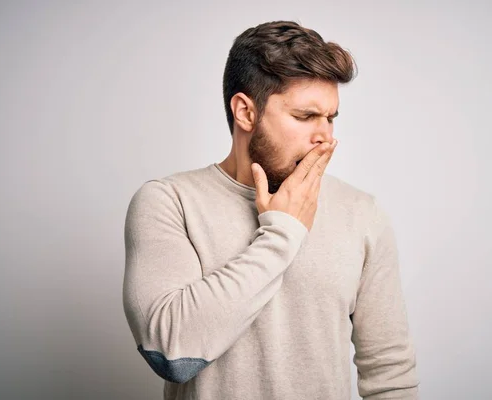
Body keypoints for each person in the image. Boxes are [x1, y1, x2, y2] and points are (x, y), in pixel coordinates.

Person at [123, 20, 419, 400]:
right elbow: (171, 353)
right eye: (305, 116)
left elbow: (389, 374)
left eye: (330, 118)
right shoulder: (169, 202)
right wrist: (283, 233)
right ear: (245, 112)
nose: (325, 137)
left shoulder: (363, 213)